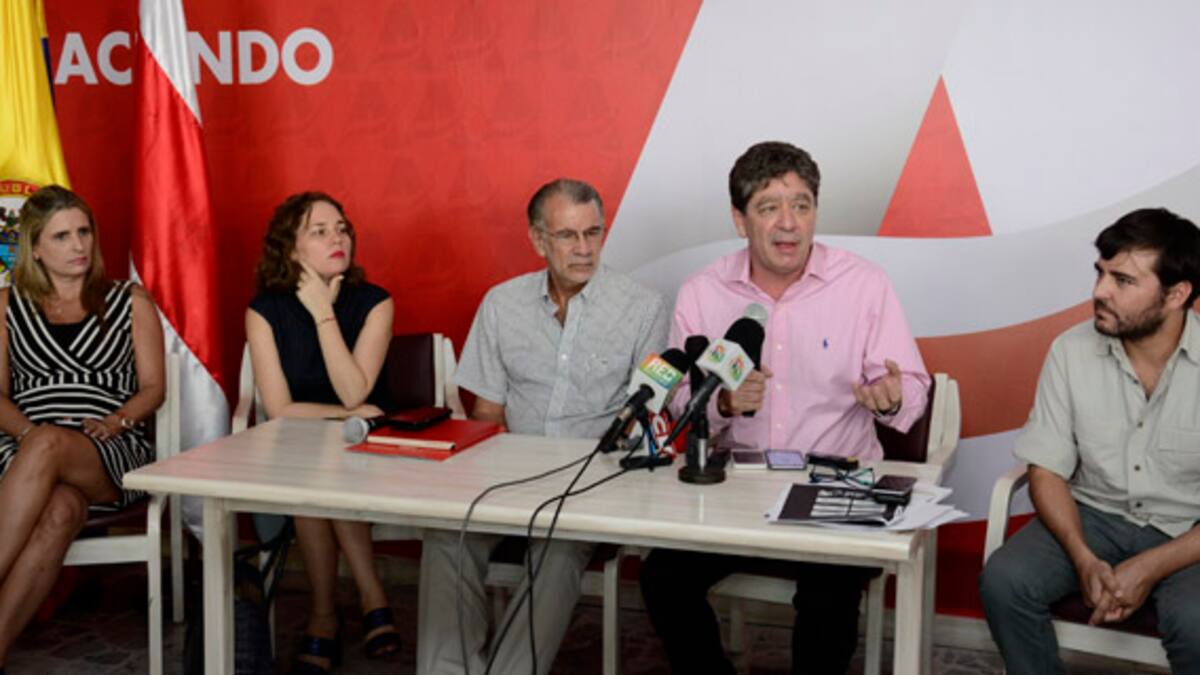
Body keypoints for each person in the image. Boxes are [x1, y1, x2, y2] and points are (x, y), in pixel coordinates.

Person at [638, 141, 930, 674]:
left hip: (835, 485)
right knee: (662, 579)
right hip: (734, 488)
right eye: (769, 207)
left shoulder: (864, 285)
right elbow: (678, 400)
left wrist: (890, 401)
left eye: (801, 205)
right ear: (740, 219)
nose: (788, 223)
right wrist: (722, 402)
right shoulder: (703, 292)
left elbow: (910, 386)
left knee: (828, 598)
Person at [417, 178, 668, 675]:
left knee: (557, 549)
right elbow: (487, 414)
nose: (584, 249)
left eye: (593, 233)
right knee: (446, 536)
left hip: (589, 482)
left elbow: (644, 418)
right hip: (508, 473)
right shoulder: (501, 304)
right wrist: (488, 484)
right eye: (568, 235)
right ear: (538, 240)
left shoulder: (643, 307)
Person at [980, 208, 1200, 674]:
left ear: (1176, 294)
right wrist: (1083, 558)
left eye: (1123, 280)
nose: (1100, 291)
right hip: (1092, 516)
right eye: (1100, 273)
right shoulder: (1070, 350)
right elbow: (1046, 469)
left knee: (1196, 622)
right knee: (1005, 581)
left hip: (1188, 533)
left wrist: (1148, 567)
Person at [0, 185, 165, 673]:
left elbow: (154, 387)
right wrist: (28, 437)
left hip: (108, 449)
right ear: (34, 247)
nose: (78, 245)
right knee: (60, 510)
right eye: (62, 236)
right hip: (23, 450)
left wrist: (117, 420)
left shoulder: (129, 300)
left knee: (49, 443)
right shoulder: (6, 305)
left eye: (84, 232)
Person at [245, 192, 399, 673]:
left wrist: (323, 314)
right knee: (316, 469)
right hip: (302, 449)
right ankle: (371, 598)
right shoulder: (264, 311)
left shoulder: (376, 303)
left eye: (342, 228)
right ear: (290, 249)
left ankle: (324, 616)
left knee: (323, 469)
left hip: (368, 449)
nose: (338, 238)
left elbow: (353, 390)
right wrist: (337, 416)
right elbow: (279, 409)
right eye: (320, 231)